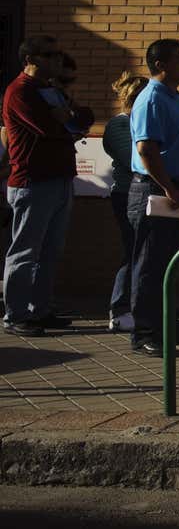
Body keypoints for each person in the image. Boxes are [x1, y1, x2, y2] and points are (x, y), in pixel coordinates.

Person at [2, 36, 91, 337]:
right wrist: (66, 122)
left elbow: (80, 121)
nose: (58, 61)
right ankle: (15, 314)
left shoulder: (50, 90)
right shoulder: (19, 92)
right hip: (33, 181)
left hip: (60, 178)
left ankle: (40, 309)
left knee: (50, 251)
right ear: (32, 59)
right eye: (51, 55)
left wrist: (69, 119)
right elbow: (50, 128)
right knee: (25, 251)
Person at [127, 39, 179, 355]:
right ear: (161, 65)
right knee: (150, 262)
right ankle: (145, 332)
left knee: (171, 262)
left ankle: (169, 324)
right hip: (156, 191)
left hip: (177, 189)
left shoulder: (175, 99)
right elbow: (146, 149)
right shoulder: (152, 99)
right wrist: (170, 186)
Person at [105, 70, 148, 333]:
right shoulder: (120, 125)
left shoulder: (139, 124)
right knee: (133, 250)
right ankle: (119, 308)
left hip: (142, 193)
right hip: (126, 194)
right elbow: (134, 159)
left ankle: (142, 304)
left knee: (144, 251)